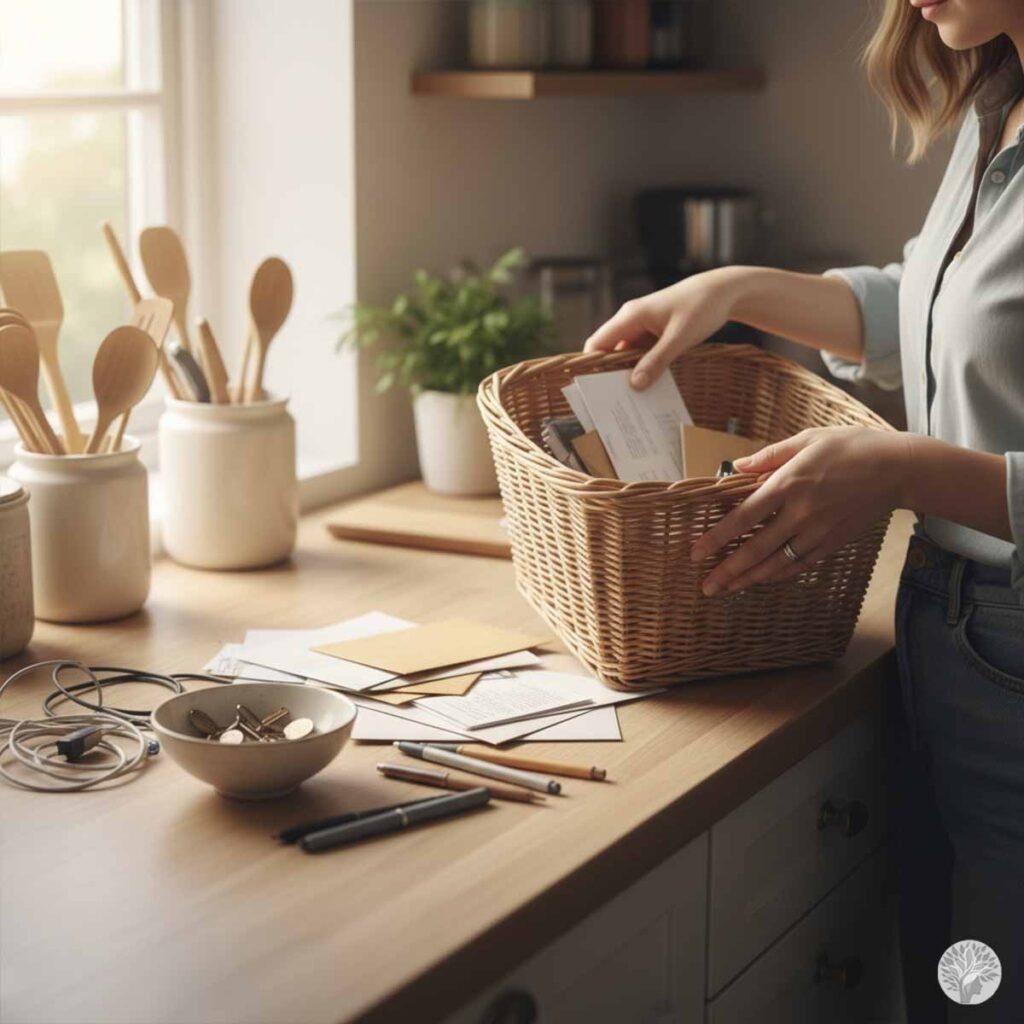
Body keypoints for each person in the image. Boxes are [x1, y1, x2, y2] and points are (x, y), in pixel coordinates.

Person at [584, 1, 1024, 1020]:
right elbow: (933, 303)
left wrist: (897, 467)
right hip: (938, 625)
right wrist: (734, 288)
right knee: (957, 980)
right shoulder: (995, 104)